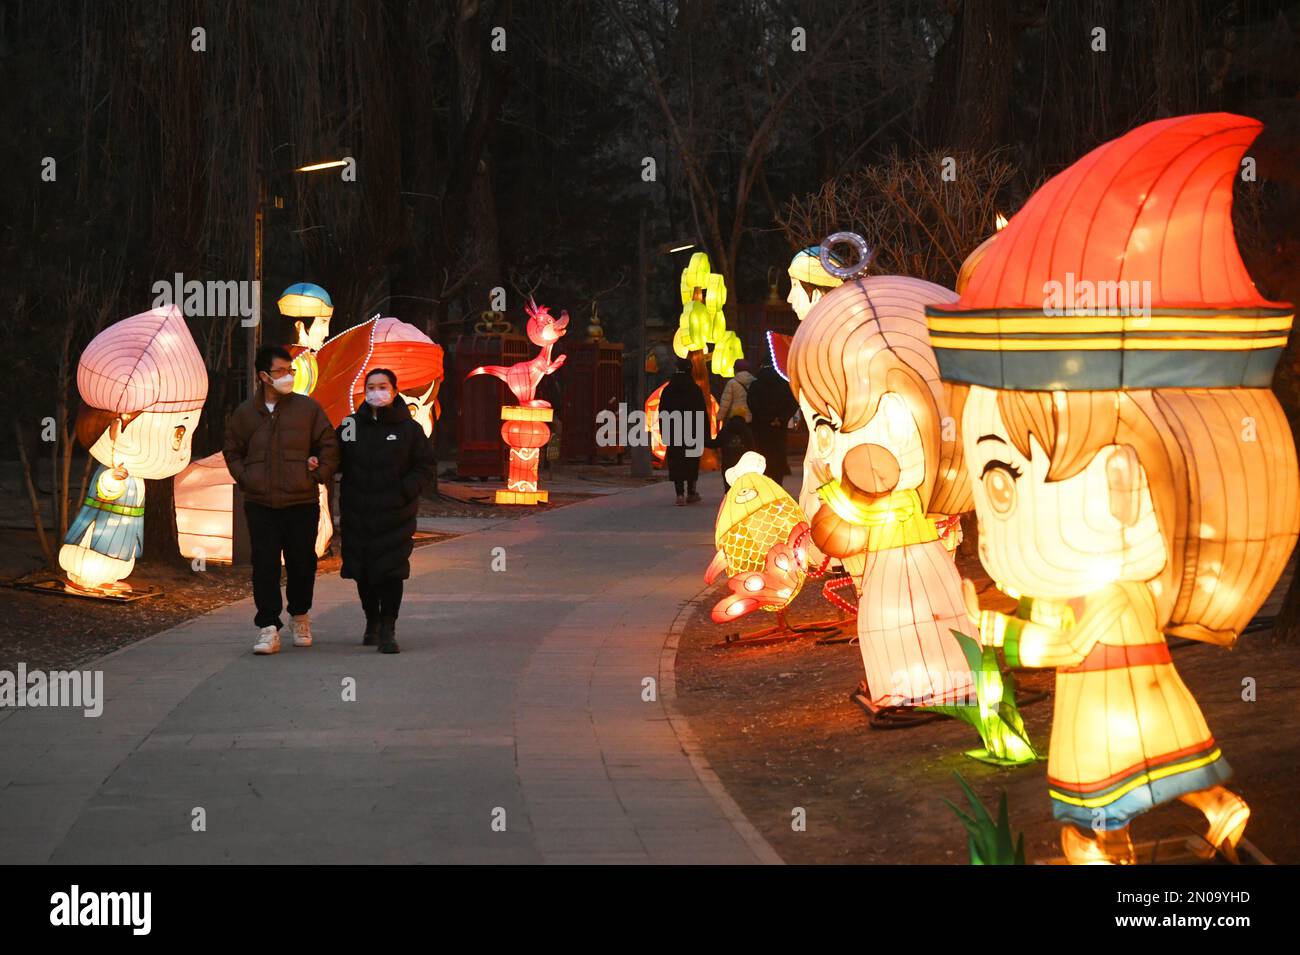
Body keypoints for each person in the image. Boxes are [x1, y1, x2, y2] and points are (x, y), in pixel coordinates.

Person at [223, 344, 340, 655]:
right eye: (281, 372)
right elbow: (232, 450)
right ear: (263, 376)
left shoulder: (308, 409)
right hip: (260, 503)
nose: (288, 376)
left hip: (301, 501)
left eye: (291, 371)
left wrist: (318, 474)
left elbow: (329, 444)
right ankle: (268, 626)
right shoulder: (246, 413)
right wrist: (246, 478)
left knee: (303, 563)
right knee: (265, 565)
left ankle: (300, 616)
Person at [336, 368, 436, 654]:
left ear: (394, 389)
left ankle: (389, 627)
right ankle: (372, 621)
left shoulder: (409, 428)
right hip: (358, 512)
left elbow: (425, 466)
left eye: (382, 386)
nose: (376, 392)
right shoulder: (351, 425)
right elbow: (335, 457)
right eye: (371, 387)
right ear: (364, 391)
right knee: (363, 571)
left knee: (391, 571)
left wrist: (406, 490)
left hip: (395, 514)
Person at [658, 355, 707, 505]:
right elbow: (701, 411)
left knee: (676, 461)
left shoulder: (668, 390)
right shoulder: (695, 390)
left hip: (673, 430)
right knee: (691, 461)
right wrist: (704, 432)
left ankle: (679, 494)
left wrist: (664, 431)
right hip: (693, 430)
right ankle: (691, 492)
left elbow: (663, 412)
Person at [746, 359, 798, 486]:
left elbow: (752, 403)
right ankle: (778, 482)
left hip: (761, 426)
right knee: (778, 451)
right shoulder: (784, 384)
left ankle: (764, 481)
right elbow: (793, 402)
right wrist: (781, 418)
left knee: (763, 452)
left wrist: (765, 417)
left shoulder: (756, 385)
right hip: (779, 426)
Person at [716, 360, 755, 490]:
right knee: (747, 448)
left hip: (735, 419)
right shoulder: (754, 382)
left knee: (733, 449)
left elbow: (726, 402)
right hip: (750, 420)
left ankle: (732, 482)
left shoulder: (732, 383)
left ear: (736, 369)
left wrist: (720, 417)